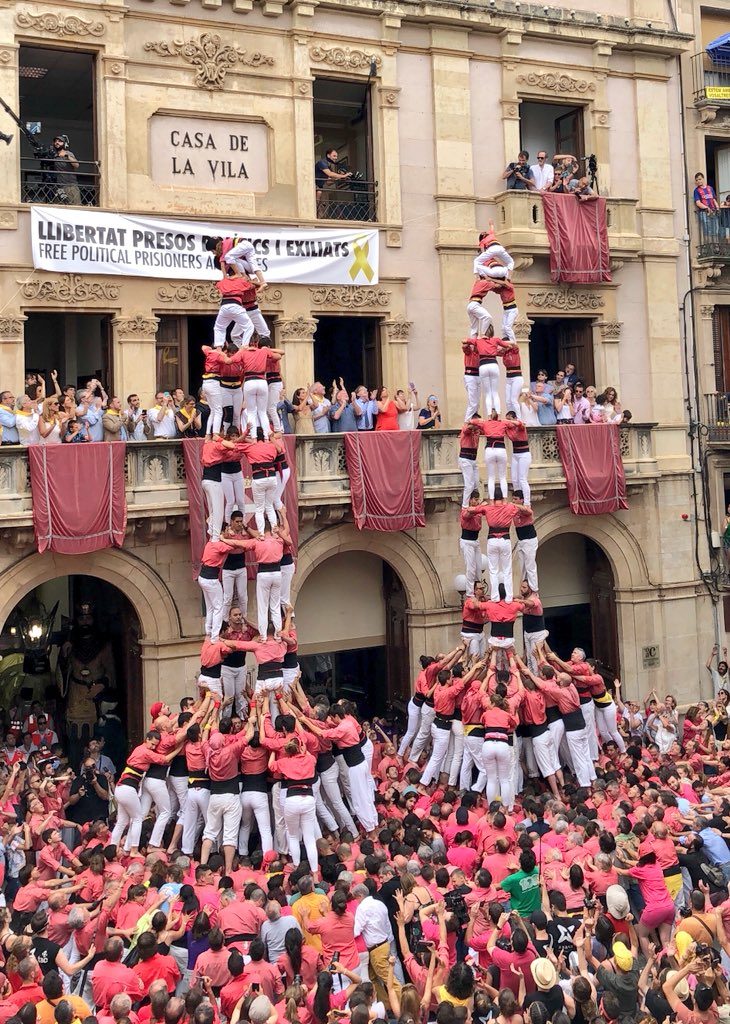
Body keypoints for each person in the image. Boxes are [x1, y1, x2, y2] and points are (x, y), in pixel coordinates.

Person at [315, 147, 352, 215]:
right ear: (328, 155)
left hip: (321, 188)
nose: (336, 158)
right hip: (316, 187)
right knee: (317, 205)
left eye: (336, 156)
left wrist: (340, 178)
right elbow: (330, 174)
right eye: (334, 156)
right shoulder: (322, 163)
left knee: (323, 207)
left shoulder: (328, 165)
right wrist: (343, 176)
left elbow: (328, 182)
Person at [49, 134, 81, 205]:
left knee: (74, 207)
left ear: (64, 144)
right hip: (59, 187)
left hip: (70, 186)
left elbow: (76, 165)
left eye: (60, 141)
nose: (57, 143)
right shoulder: (54, 155)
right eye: (56, 141)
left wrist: (67, 156)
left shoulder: (68, 153)